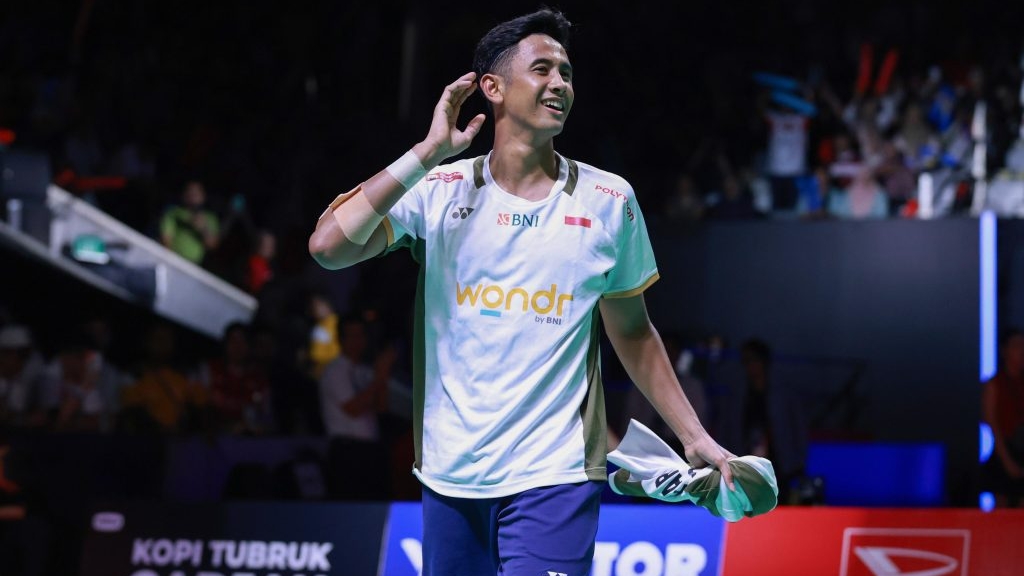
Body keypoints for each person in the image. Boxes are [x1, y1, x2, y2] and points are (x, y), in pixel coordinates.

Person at [308, 9, 734, 575]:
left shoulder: (609, 201)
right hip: (450, 475)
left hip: (555, 474)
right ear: (493, 88)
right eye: (542, 70)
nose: (560, 84)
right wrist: (428, 152)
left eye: (567, 73)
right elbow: (329, 246)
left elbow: (633, 331)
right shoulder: (439, 190)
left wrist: (693, 436)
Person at [982, 329, 1024, 507]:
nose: (1021, 351)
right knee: (1002, 504)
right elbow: (992, 424)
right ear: (1004, 350)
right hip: (1004, 450)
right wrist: (1007, 461)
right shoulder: (994, 384)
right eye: (1016, 346)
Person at [159, 180, 220, 266]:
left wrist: (203, 229)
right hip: (173, 260)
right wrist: (170, 261)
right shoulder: (174, 212)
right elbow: (165, 239)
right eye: (190, 192)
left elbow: (212, 245)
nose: (193, 196)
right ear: (184, 195)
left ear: (203, 196)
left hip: (194, 265)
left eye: (196, 193)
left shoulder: (210, 218)